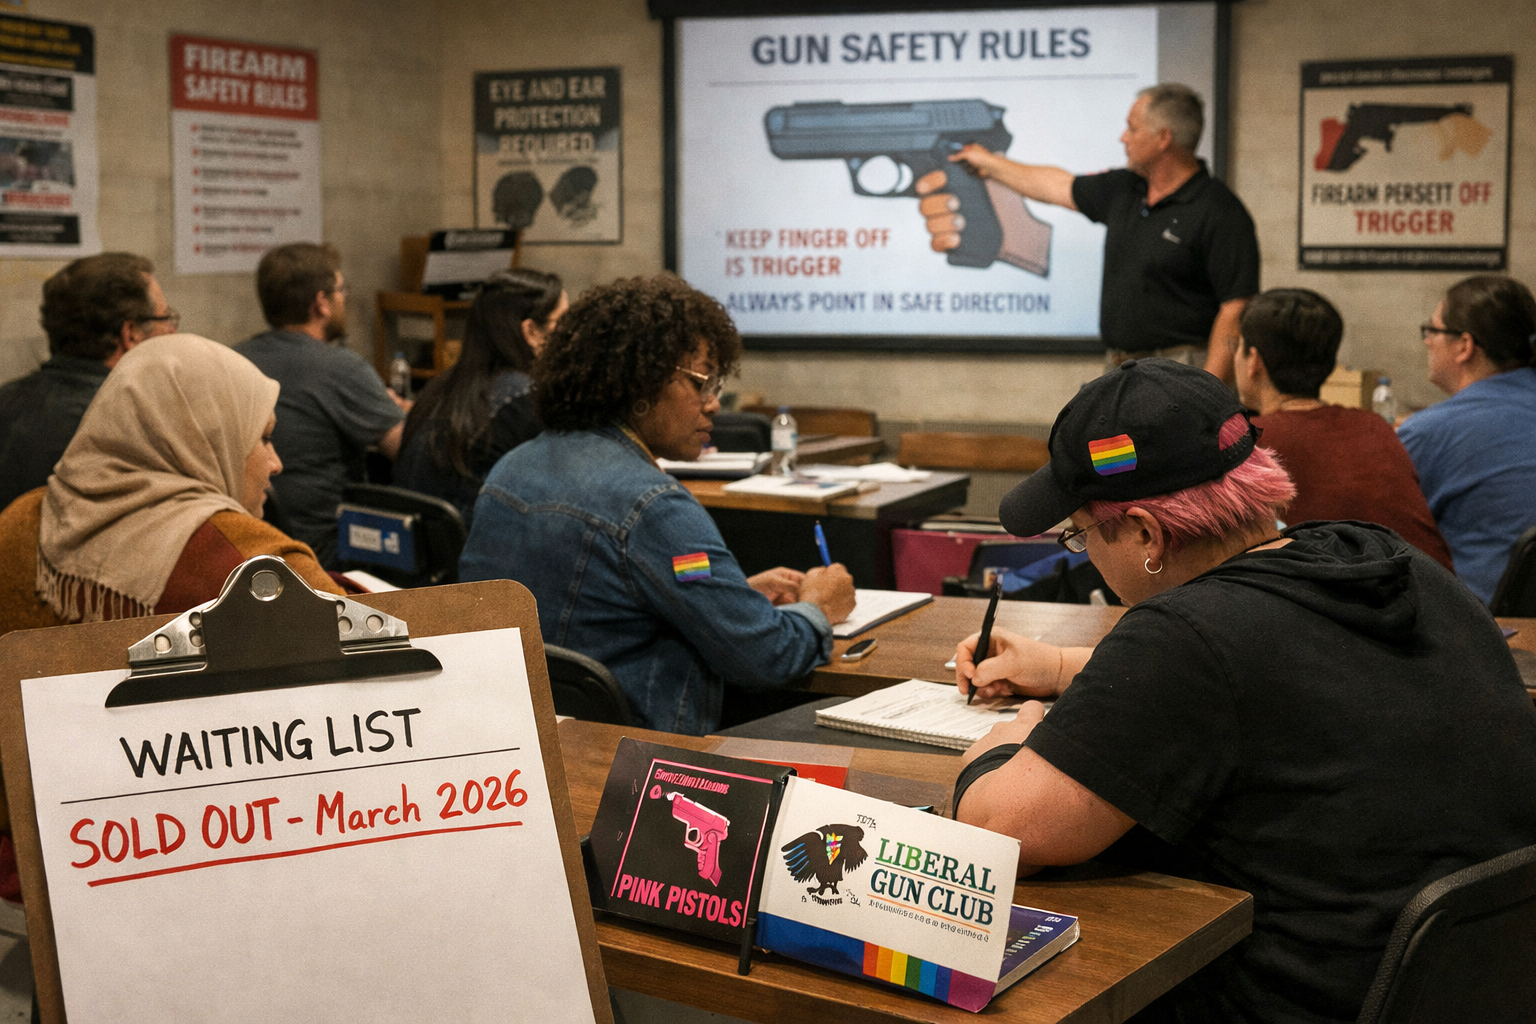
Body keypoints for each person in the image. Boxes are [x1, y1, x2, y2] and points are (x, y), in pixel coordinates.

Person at [949, 358, 1536, 1023]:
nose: (1085, 551)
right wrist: (1063, 667)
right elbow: (1280, 679)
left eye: (1081, 535)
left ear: (1145, 533)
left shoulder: (1186, 636)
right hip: (1469, 993)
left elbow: (1000, 833)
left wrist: (1003, 749)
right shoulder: (1385, 563)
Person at [458, 274, 856, 735]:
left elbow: (602, 609)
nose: (714, 404)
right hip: (644, 766)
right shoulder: (654, 507)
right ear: (639, 386)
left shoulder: (512, 469)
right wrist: (818, 607)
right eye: (701, 382)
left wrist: (730, 594)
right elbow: (767, 657)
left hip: (522, 749)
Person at [0, 334, 341, 634]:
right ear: (210, 441)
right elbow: (368, 639)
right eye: (264, 437)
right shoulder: (254, 564)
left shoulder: (18, 521)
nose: (276, 464)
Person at [916, 83, 1258, 382]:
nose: (1123, 137)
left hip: (1182, 368)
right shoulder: (1125, 189)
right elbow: (1056, 186)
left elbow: (1235, 308)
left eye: (1132, 128)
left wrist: (1208, 390)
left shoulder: (1219, 210)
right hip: (1120, 367)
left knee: (1175, 458)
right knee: (1115, 458)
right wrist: (988, 163)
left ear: (1162, 139)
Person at [1234, 288, 1452, 570]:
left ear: (1254, 361)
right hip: (1433, 599)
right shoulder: (1375, 427)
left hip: (1353, 604)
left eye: (1236, 346)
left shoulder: (1247, 445)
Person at [235, 242, 406, 568]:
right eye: (341, 290)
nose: (345, 297)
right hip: (328, 553)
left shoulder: (233, 359)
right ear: (321, 303)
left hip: (251, 547)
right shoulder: (341, 367)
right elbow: (407, 448)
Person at [0, 252, 180, 511]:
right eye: (164, 319)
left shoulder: (5, 400)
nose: (173, 333)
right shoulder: (141, 426)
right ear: (130, 334)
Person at [1397, 275, 1536, 605]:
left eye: (1433, 329)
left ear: (1465, 346)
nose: (1428, 341)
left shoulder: (1431, 432)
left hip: (1481, 633)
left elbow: (1382, 539)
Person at [394, 269, 566, 528]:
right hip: (473, 556)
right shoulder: (523, 397)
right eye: (562, 323)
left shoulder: (439, 386)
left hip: (415, 557)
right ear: (531, 331)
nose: (572, 335)